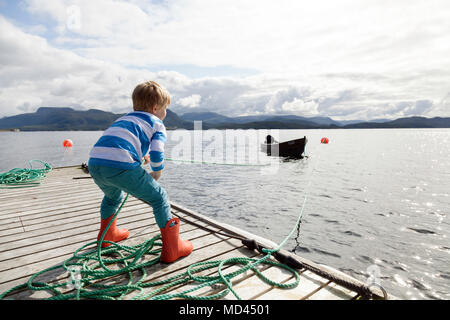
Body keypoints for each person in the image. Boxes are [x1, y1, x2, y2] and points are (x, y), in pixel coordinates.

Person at [87, 81, 193, 263]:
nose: (165, 113)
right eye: (165, 108)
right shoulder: (157, 123)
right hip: (120, 167)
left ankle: (107, 236)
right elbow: (157, 152)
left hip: (95, 164)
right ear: (155, 108)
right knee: (159, 197)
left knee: (112, 197)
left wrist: (141, 156)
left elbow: (121, 143)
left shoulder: (124, 119)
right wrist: (158, 170)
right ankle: (173, 248)